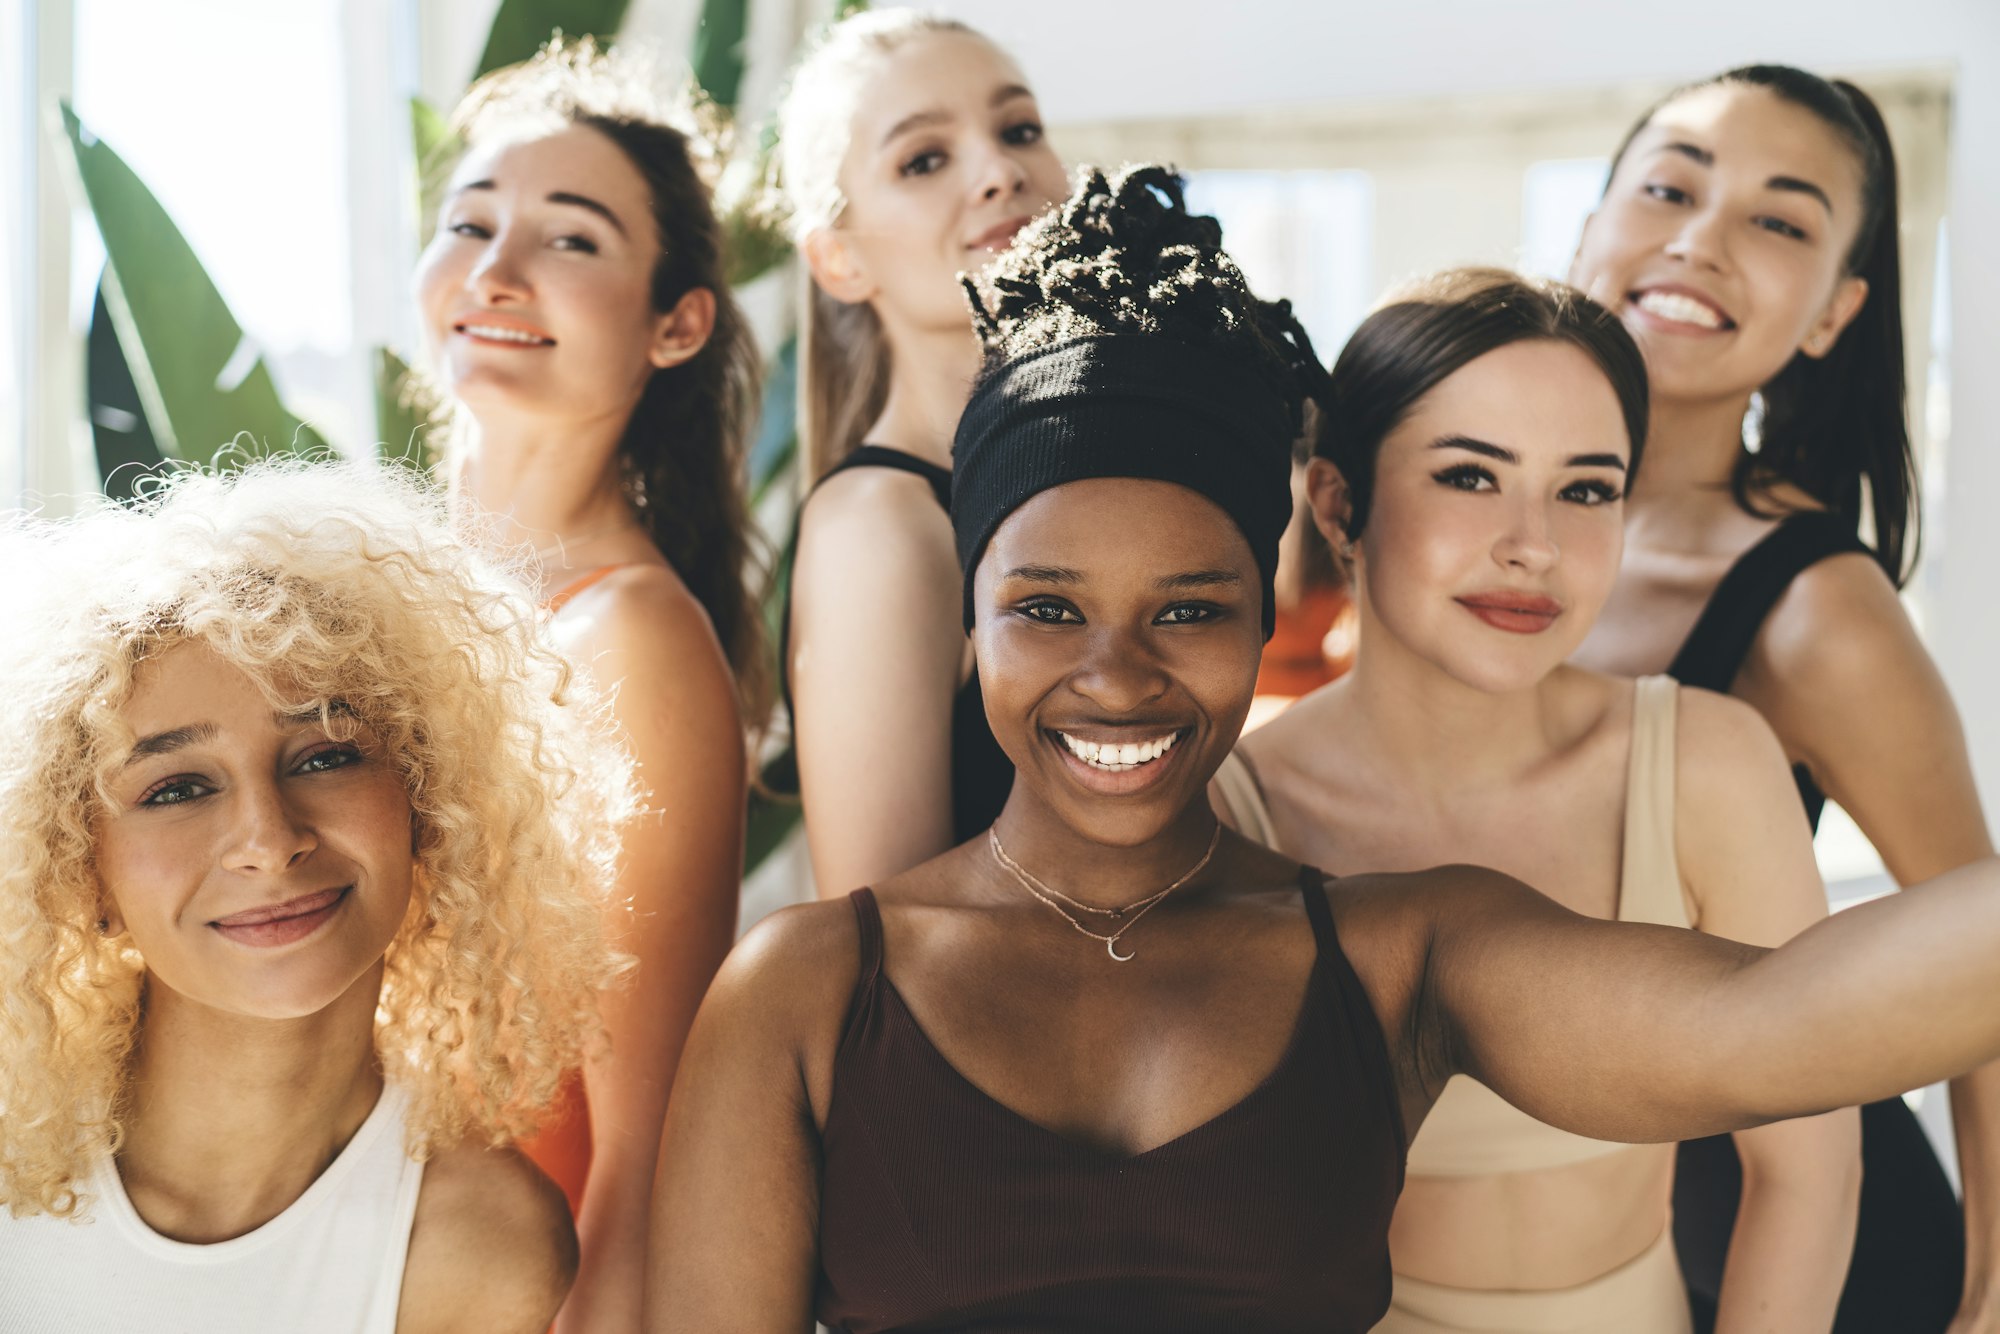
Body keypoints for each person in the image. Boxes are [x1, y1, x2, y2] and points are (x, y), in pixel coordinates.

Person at [645, 165, 2000, 1333]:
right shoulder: (805, 992)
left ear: (1268, 613)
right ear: (971, 617)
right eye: (1047, 608)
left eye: (1191, 608)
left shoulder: (1399, 954)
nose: (1116, 677)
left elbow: (1783, 1027)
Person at [1214, 267, 1856, 1332]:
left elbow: (1808, 1170)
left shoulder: (1703, 761)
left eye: (1585, 487)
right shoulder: (1232, 818)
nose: (1535, 545)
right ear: (1337, 503)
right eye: (1470, 476)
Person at [0, 461, 627, 1333]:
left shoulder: (478, 1240)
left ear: (431, 806)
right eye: (176, 787)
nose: (268, 839)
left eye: (328, 755)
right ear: (78, 870)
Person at [1568, 64, 1991, 1331]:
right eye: (1667, 187)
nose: (1699, 240)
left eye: (1778, 220)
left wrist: (1986, 1294)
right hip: (1551, 1226)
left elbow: (1982, 961)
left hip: (1797, 1248)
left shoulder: (1812, 606)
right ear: (1591, 228)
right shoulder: (1430, 520)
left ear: (1831, 312)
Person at [413, 40, 754, 1329]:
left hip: (498, 1285)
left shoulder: (629, 643)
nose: (495, 272)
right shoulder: (373, 592)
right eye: (469, 223)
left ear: (676, 322)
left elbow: (650, 1139)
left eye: (570, 239)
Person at [776, 9, 1070, 894]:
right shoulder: (880, 527)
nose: (1000, 171)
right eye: (924, 159)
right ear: (838, 260)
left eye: (1018, 130)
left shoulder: (1079, 486)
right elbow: (883, 936)